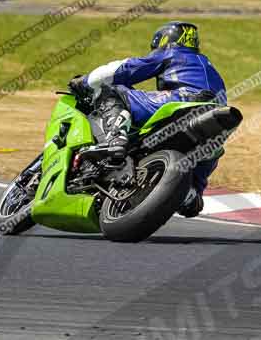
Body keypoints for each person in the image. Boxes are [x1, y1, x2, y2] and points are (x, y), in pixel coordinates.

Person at [70, 21, 225, 217]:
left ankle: (115, 139)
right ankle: (191, 192)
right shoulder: (210, 68)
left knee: (114, 90)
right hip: (216, 119)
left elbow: (126, 69)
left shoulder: (173, 53)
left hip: (183, 101)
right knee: (211, 150)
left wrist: (84, 81)